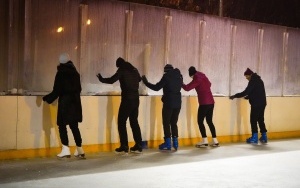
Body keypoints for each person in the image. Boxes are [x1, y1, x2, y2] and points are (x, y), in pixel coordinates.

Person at [97, 57, 143, 154]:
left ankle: (124, 146)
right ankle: (138, 145)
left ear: (119, 65)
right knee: (134, 122)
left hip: (127, 100)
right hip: (136, 99)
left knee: (121, 122)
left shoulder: (122, 70)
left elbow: (111, 80)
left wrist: (101, 79)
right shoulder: (134, 69)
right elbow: (139, 79)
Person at [43, 53, 85, 159]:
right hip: (75, 103)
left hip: (65, 104)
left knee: (62, 126)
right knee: (74, 126)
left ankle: (65, 149)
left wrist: (47, 98)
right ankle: (80, 149)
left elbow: (57, 90)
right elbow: (79, 89)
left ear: (60, 61)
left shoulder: (61, 73)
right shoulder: (76, 73)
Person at [142, 64, 182, 151]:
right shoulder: (179, 76)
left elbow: (157, 87)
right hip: (178, 103)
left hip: (169, 103)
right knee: (174, 122)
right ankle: (175, 143)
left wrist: (146, 83)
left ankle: (168, 143)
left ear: (166, 71)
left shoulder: (166, 76)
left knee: (166, 122)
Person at [182, 66, 219, 148]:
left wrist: (181, 83)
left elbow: (187, 88)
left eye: (191, 77)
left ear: (191, 74)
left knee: (200, 121)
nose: (191, 78)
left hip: (204, 103)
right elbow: (209, 84)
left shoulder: (196, 78)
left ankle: (205, 141)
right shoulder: (203, 75)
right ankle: (215, 140)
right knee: (209, 121)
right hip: (211, 102)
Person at [229, 68, 268, 144]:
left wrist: (235, 96)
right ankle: (264, 136)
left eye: (246, 76)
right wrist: (248, 97)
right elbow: (256, 92)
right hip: (262, 103)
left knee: (253, 120)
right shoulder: (259, 80)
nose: (246, 78)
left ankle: (254, 137)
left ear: (250, 75)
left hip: (256, 104)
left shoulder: (253, 80)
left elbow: (246, 91)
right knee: (260, 119)